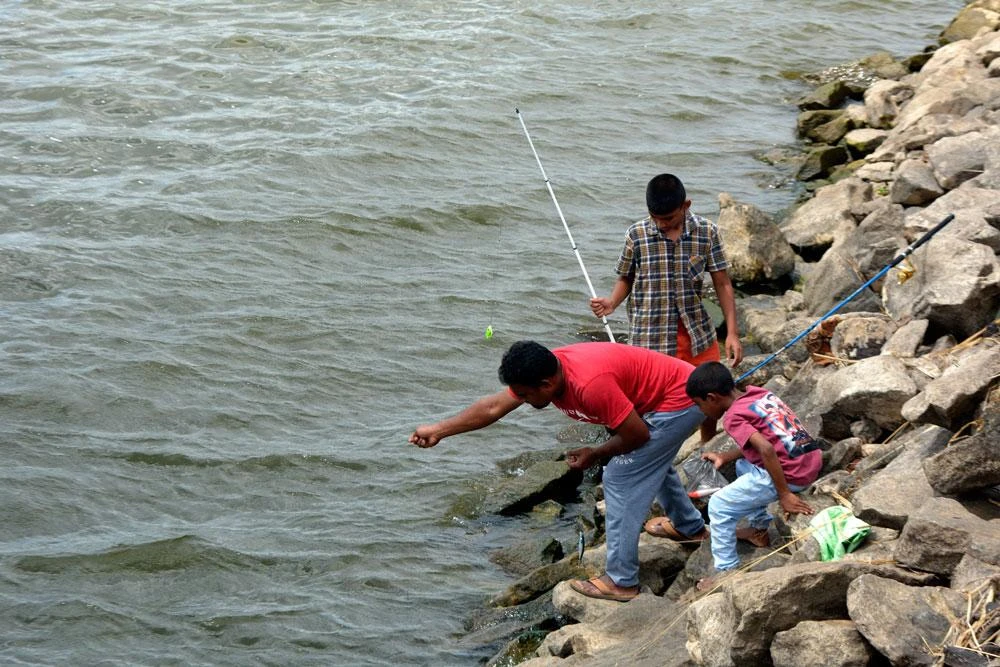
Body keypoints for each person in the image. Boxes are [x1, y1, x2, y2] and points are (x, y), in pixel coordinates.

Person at [409, 340, 708, 602]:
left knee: (620, 475)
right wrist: (439, 430)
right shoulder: (545, 371)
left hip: (683, 400)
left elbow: (638, 436)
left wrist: (596, 453)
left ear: (546, 385)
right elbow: (492, 409)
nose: (521, 402)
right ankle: (689, 527)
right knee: (647, 463)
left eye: (525, 396)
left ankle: (621, 581)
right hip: (660, 396)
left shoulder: (590, 385)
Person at [590, 173, 743, 443]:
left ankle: (705, 447)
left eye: (669, 218)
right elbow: (626, 277)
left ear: (686, 206)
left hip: (696, 334)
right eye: (655, 218)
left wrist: (732, 333)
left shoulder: (707, 233)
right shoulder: (636, 235)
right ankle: (647, 448)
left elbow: (723, 284)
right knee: (649, 403)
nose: (661, 224)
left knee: (712, 397)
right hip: (650, 336)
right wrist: (612, 302)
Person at [684, 361, 821, 590]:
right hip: (808, 460)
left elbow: (766, 449)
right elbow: (769, 440)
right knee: (742, 466)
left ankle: (726, 572)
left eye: (699, 405)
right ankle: (759, 528)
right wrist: (725, 456)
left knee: (718, 506)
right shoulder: (759, 395)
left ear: (712, 398)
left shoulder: (732, 417)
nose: (701, 411)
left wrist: (784, 494)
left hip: (791, 475)